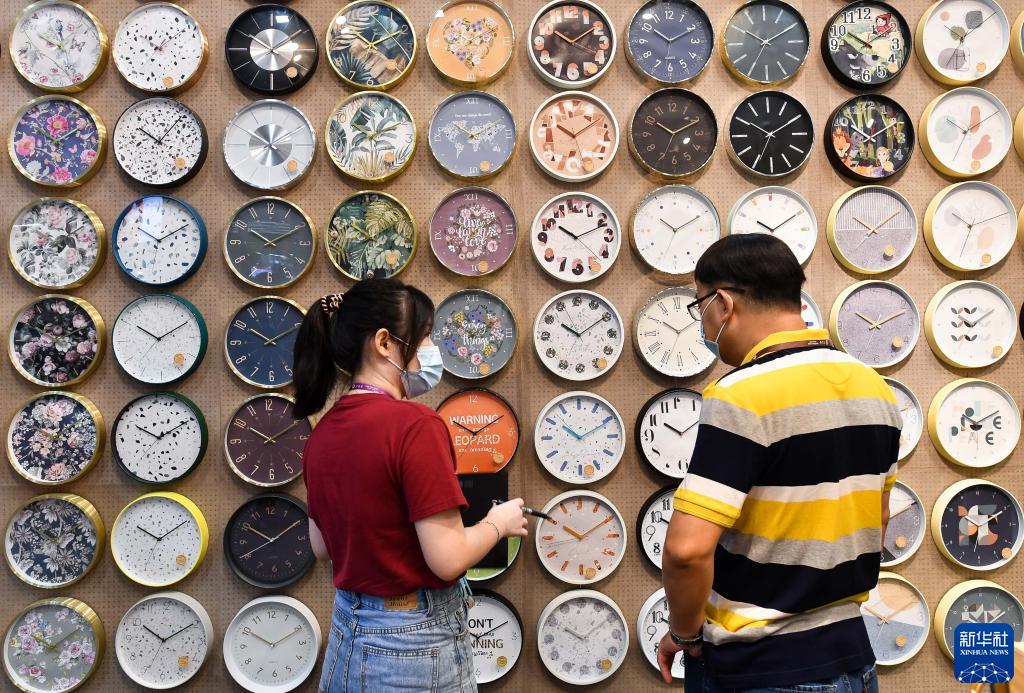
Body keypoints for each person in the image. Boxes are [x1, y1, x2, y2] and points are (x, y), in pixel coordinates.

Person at [657, 235, 900, 693]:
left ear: (723, 303)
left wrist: (684, 633)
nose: (703, 322)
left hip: (761, 666)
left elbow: (686, 551)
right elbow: (878, 519)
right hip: (854, 660)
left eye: (700, 306)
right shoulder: (874, 386)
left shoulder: (741, 393)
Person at [292, 278, 528, 693]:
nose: (431, 351)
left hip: (347, 637)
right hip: (413, 646)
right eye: (424, 337)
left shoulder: (322, 433)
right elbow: (448, 559)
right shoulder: (416, 425)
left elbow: (321, 547)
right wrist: (498, 523)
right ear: (385, 342)